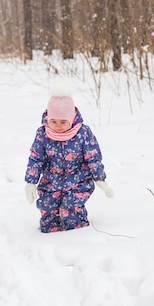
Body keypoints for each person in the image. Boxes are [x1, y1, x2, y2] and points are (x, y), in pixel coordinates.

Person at [24, 84, 113, 233]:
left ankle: (74, 239)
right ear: (48, 118)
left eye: (63, 122)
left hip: (78, 181)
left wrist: (100, 179)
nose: (58, 126)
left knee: (71, 209)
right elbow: (36, 158)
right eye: (54, 121)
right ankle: (49, 237)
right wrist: (30, 183)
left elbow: (93, 157)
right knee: (47, 207)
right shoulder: (43, 134)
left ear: (71, 118)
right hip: (50, 181)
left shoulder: (83, 133)